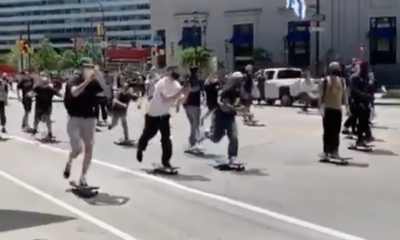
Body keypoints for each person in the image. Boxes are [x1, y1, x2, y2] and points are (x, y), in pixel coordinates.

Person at [63, 58, 111, 186]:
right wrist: (87, 81)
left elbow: (108, 94)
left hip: (89, 117)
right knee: (77, 149)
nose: (89, 70)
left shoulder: (94, 82)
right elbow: (75, 92)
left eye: (91, 67)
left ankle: (83, 176)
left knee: (89, 147)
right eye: (86, 67)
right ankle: (69, 161)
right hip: (74, 117)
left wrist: (100, 79)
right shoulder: (74, 79)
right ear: (80, 68)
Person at [136, 65, 190, 169]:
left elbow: (181, 99)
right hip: (153, 113)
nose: (177, 72)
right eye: (174, 70)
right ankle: (140, 148)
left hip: (164, 114)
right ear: (168, 72)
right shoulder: (162, 82)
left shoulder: (176, 84)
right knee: (149, 133)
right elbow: (165, 98)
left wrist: (186, 92)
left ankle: (166, 161)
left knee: (166, 138)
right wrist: (180, 91)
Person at [197, 72, 242, 164]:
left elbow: (240, 102)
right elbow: (223, 105)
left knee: (234, 137)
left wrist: (242, 108)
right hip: (219, 116)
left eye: (241, 79)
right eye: (239, 80)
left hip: (230, 117)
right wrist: (237, 109)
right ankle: (206, 134)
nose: (241, 81)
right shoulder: (227, 90)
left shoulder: (238, 90)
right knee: (216, 138)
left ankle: (232, 156)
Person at [319, 62, 349, 159]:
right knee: (335, 131)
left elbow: (321, 96)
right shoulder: (341, 80)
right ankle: (333, 151)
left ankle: (327, 152)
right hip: (336, 109)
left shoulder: (325, 80)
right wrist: (347, 108)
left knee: (328, 131)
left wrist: (321, 108)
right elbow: (344, 97)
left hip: (328, 109)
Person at [184, 66, 203, 151]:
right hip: (195, 104)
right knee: (195, 124)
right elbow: (198, 89)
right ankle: (192, 141)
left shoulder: (187, 80)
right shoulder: (197, 80)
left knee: (193, 123)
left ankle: (193, 140)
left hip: (187, 104)